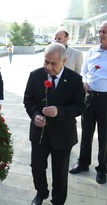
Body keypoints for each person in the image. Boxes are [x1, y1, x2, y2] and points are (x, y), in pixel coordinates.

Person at [23, 43, 85, 205]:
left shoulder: (75, 79)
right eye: (46, 62)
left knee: (60, 172)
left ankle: (58, 200)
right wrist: (35, 115)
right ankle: (41, 193)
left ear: (64, 61)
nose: (48, 67)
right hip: (39, 133)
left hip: (63, 135)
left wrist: (59, 111)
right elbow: (28, 100)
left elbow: (80, 106)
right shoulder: (35, 76)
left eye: (53, 63)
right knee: (36, 167)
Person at [69, 21, 107, 184]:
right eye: (99, 31)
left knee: (104, 136)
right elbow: (83, 71)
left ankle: (102, 169)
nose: (100, 34)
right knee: (86, 132)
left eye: (104, 31)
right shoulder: (92, 51)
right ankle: (83, 163)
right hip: (89, 97)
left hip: (106, 99)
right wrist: (84, 81)